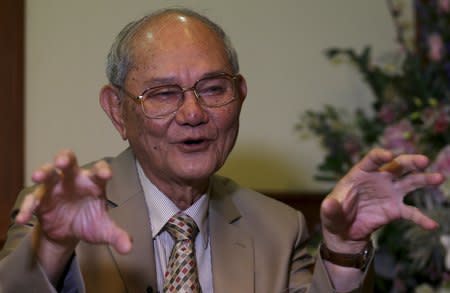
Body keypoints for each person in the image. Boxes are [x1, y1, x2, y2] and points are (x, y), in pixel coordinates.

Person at [0, 7, 443, 293]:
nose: (193, 113)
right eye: (164, 93)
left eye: (213, 89)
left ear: (241, 96)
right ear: (117, 111)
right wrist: (54, 246)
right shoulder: (65, 210)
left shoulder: (278, 228)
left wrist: (344, 247)